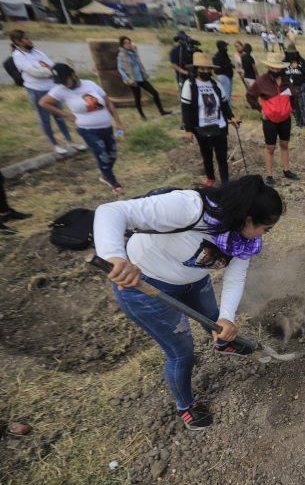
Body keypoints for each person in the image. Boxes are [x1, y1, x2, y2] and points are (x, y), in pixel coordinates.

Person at [93, 176, 284, 430]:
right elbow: (111, 211)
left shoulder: (243, 239)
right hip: (148, 288)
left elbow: (236, 275)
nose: (264, 235)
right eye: (265, 228)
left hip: (194, 281)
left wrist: (227, 317)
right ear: (248, 218)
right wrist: (114, 256)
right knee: (181, 353)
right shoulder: (190, 208)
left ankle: (224, 343)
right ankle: (185, 406)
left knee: (215, 317)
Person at [39, 63, 125, 194]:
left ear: (72, 73)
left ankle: (105, 175)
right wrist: (66, 114)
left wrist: (119, 123)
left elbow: (108, 102)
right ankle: (114, 183)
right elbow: (43, 102)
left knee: (112, 155)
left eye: (65, 80)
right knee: (102, 155)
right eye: (60, 81)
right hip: (88, 130)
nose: (64, 84)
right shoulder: (59, 90)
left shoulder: (90, 84)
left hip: (106, 127)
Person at [10, 30, 83, 155]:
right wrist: (52, 73)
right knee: (45, 118)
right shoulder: (18, 55)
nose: (29, 40)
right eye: (26, 39)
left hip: (52, 88)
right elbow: (34, 72)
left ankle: (70, 141)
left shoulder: (37, 52)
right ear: (17, 42)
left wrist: (54, 72)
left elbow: (52, 65)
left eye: (28, 38)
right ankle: (55, 144)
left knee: (59, 115)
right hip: (36, 89)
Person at [180, 53, 240, 187]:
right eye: (202, 69)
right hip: (201, 127)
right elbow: (186, 109)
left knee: (222, 155)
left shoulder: (216, 84)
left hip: (219, 125)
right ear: (196, 69)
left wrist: (232, 117)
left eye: (208, 69)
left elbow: (224, 104)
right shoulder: (190, 85)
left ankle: (225, 181)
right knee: (207, 155)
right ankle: (210, 178)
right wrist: (188, 129)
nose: (205, 71)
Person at [246, 52, 299, 186]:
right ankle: (269, 175)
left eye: (278, 68)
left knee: (285, 144)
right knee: (270, 147)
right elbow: (250, 96)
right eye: (273, 68)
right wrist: (260, 109)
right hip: (269, 119)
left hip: (285, 119)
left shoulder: (286, 80)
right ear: (269, 67)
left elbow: (294, 95)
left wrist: (290, 108)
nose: (275, 70)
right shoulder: (261, 81)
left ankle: (286, 170)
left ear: (281, 68)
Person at [117, 36, 172, 120]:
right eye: (126, 43)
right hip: (133, 80)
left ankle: (162, 111)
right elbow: (120, 69)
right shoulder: (121, 55)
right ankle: (142, 115)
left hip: (141, 77)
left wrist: (133, 47)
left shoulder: (134, 51)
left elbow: (136, 52)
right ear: (122, 44)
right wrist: (128, 79)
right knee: (138, 97)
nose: (128, 44)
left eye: (129, 42)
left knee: (155, 93)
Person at [283, 44, 305, 132]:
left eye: (293, 53)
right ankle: (299, 123)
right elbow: (281, 73)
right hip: (291, 88)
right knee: (295, 107)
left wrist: (299, 67)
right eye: (289, 53)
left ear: (296, 53)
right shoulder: (284, 62)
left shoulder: (301, 61)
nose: (291, 55)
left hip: (302, 86)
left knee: (304, 105)